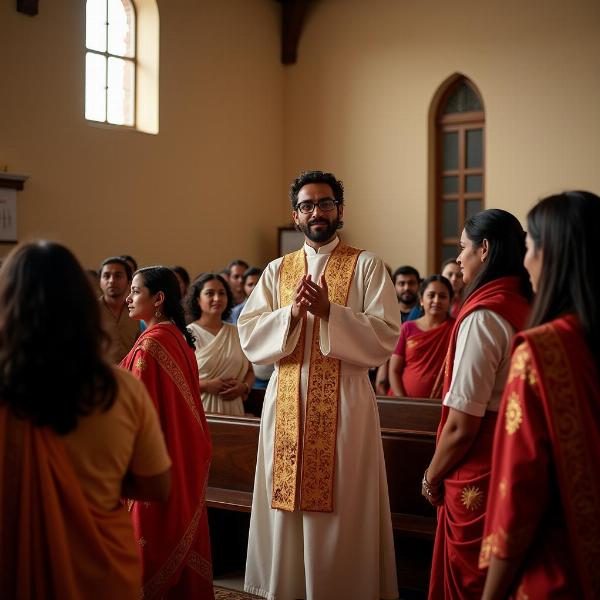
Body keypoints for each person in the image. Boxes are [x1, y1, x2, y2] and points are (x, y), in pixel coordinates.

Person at [238, 170, 400, 600]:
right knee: (284, 503)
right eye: (307, 205)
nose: (317, 212)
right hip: (286, 398)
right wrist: (289, 316)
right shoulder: (278, 270)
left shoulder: (367, 265)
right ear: (295, 215)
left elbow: (386, 336)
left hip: (345, 401)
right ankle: (287, 588)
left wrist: (331, 312)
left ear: (340, 210)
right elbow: (250, 335)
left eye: (325, 203)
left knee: (344, 504)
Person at [0, 241, 171, 598]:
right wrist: (94, 483)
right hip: (99, 568)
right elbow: (157, 486)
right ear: (81, 305)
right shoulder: (121, 388)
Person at [480, 192, 600, 600]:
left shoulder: (542, 352)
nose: (525, 260)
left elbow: (519, 491)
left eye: (530, 245)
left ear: (554, 254)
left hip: (557, 567)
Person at [421, 209, 532, 599]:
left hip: (480, 463)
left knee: (470, 582)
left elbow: (461, 424)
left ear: (484, 250)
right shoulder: (525, 304)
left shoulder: (484, 316)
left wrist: (431, 476)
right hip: (517, 458)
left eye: (462, 248)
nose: (458, 259)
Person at [122, 267, 213, 599]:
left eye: (135, 291)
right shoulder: (175, 336)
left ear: (158, 299)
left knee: (152, 538)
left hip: (156, 457)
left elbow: (135, 405)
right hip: (183, 452)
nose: (128, 298)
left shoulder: (152, 345)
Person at [186, 273, 254, 416]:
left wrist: (244, 387)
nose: (217, 298)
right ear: (198, 299)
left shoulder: (237, 332)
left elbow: (250, 371)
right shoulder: (187, 334)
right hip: (199, 412)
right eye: (210, 293)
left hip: (234, 412)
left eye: (222, 293)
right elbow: (177, 380)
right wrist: (206, 386)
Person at [389, 275, 455, 398]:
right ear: (421, 300)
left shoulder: (457, 328)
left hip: (441, 404)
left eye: (442, 296)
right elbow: (394, 370)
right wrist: (402, 401)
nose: (436, 300)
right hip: (404, 402)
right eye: (431, 295)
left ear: (451, 301)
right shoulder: (407, 328)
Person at [99, 256, 140, 362]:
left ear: (129, 281)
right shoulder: (90, 311)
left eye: (118, 276)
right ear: (100, 281)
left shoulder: (138, 311)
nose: (111, 281)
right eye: (106, 276)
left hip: (129, 375)